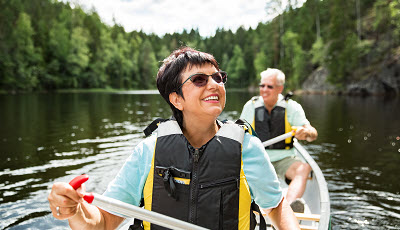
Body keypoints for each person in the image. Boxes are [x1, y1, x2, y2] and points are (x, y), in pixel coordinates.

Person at [47, 48, 300, 229]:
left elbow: (276, 207)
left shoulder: (247, 147)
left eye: (218, 77)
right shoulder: (149, 151)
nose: (214, 84)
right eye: (199, 80)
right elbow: (100, 223)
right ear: (176, 99)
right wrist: (75, 209)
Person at [240, 68, 317, 213]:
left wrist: (306, 132)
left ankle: (288, 207)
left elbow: (313, 133)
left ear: (280, 88)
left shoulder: (292, 107)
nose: (264, 90)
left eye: (269, 86)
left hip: (284, 159)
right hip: (257, 158)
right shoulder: (251, 106)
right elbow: (240, 134)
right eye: (262, 85)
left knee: (304, 168)